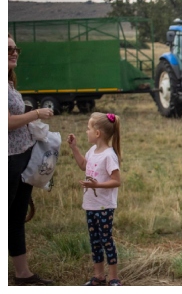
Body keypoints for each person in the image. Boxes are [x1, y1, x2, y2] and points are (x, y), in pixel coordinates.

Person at [7, 35, 56, 286]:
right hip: (9, 160)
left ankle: (23, 274)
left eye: (16, 48)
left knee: (16, 217)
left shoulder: (8, 82)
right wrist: (35, 114)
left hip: (21, 157)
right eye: (8, 49)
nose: (14, 52)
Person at [67, 112, 124, 286]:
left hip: (104, 206)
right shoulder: (92, 151)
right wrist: (74, 148)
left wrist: (96, 185)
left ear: (97, 133)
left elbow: (116, 181)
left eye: (88, 128)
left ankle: (114, 278)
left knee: (106, 240)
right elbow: (84, 165)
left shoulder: (109, 155)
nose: (86, 131)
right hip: (91, 206)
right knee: (95, 241)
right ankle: (99, 276)